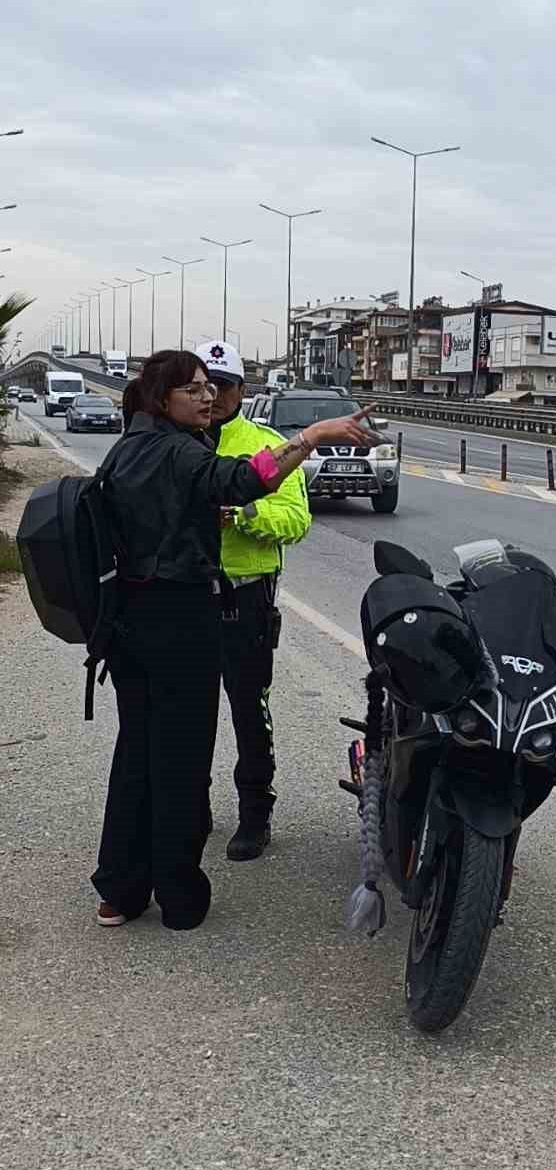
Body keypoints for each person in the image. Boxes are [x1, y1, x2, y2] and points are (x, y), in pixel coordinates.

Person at [92, 349, 376, 931]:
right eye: (194, 389)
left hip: (127, 623)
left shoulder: (129, 446)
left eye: (212, 387)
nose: (207, 397)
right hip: (180, 620)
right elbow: (249, 480)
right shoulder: (179, 452)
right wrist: (313, 436)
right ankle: (180, 898)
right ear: (162, 398)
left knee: (137, 752)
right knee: (181, 759)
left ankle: (119, 889)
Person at [195, 340, 309, 860]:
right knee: (186, 712)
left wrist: (243, 514)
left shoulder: (267, 446)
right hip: (184, 600)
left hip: (245, 601)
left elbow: (296, 520)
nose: (212, 395)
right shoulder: (176, 442)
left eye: (223, 386)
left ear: (242, 391)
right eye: (202, 385)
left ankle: (255, 813)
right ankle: (191, 807)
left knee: (248, 710)